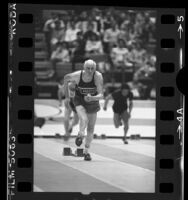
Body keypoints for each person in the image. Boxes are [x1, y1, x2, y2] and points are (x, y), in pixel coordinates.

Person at [63, 59, 103, 161]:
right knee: (84, 119)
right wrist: (67, 97)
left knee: (91, 128)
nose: (90, 71)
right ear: (84, 68)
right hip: (79, 100)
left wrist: (92, 98)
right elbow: (65, 78)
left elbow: (101, 94)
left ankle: (86, 151)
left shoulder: (98, 76)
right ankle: (80, 134)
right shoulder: (77, 75)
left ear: (95, 68)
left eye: (92, 69)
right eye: (88, 68)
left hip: (92, 101)